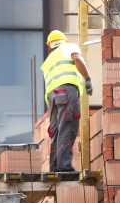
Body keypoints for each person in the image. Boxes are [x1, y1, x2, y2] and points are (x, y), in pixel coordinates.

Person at [40, 30, 93, 172]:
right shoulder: (69, 47)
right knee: (67, 128)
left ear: (50, 46)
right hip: (67, 92)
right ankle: (64, 167)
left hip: (52, 98)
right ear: (64, 41)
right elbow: (77, 59)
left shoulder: (47, 62)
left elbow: (47, 86)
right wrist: (87, 79)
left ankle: (55, 167)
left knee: (56, 131)